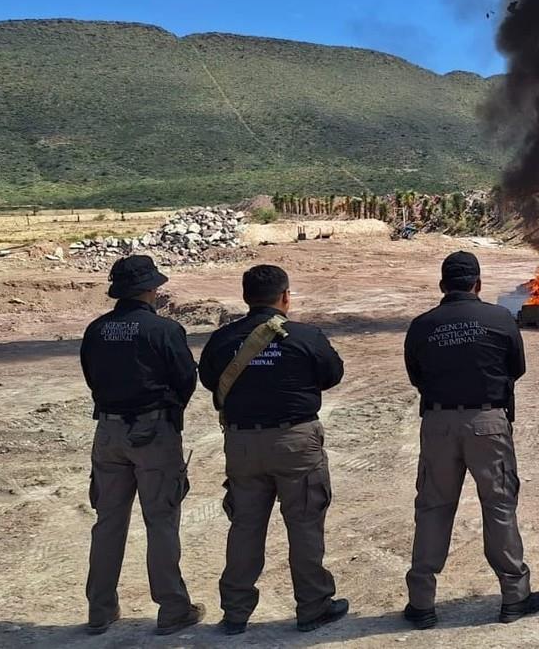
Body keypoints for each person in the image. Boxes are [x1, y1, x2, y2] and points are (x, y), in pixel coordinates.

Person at [198, 265, 347, 635]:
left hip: (243, 444)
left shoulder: (222, 340)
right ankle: (313, 607)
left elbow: (208, 381)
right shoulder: (305, 336)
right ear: (285, 297)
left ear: (246, 297)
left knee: (245, 527)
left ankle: (235, 612)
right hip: (296, 442)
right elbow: (332, 375)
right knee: (305, 525)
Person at [402, 251, 539, 629]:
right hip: (488, 423)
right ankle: (514, 597)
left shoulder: (422, 325)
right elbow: (517, 368)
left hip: (438, 425)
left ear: (442, 286)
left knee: (433, 508)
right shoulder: (499, 318)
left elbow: (415, 375)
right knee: (499, 507)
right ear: (478, 284)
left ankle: (422, 603)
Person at [80, 255, 204, 636]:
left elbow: (91, 377)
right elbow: (185, 379)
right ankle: (172, 608)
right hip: (153, 431)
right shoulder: (164, 329)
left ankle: (100, 610)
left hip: (108, 432)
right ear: (151, 289)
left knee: (108, 523)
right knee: (161, 521)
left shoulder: (96, 330)